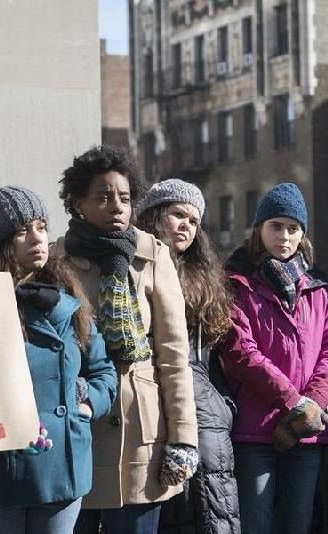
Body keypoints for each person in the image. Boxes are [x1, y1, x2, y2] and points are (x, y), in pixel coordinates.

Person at [0, 186, 117, 533]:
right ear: (0, 243)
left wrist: (83, 407)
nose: (38, 238)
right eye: (23, 231)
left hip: (59, 471)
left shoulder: (70, 301)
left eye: (41, 227)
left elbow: (103, 372)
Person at [53, 146, 198, 534]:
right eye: (103, 197)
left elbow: (174, 355)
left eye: (125, 197)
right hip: (80, 427)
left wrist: (184, 437)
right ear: (78, 203)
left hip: (141, 432)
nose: (117, 206)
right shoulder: (57, 260)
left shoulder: (153, 255)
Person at [220, 182, 328, 534]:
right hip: (255, 430)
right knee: (255, 524)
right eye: (276, 226)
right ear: (259, 228)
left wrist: (313, 404)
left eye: (293, 228)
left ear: (303, 234)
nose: (284, 236)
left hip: (307, 430)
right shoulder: (238, 283)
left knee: (298, 525)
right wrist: (293, 401)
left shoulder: (317, 288)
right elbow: (240, 351)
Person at [136, 179, 240, 534]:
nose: (186, 226)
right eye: (178, 214)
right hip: (152, 403)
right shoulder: (135, 267)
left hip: (207, 416)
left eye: (194, 220)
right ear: (154, 215)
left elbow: (214, 353)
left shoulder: (204, 277)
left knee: (212, 512)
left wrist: (223, 404)